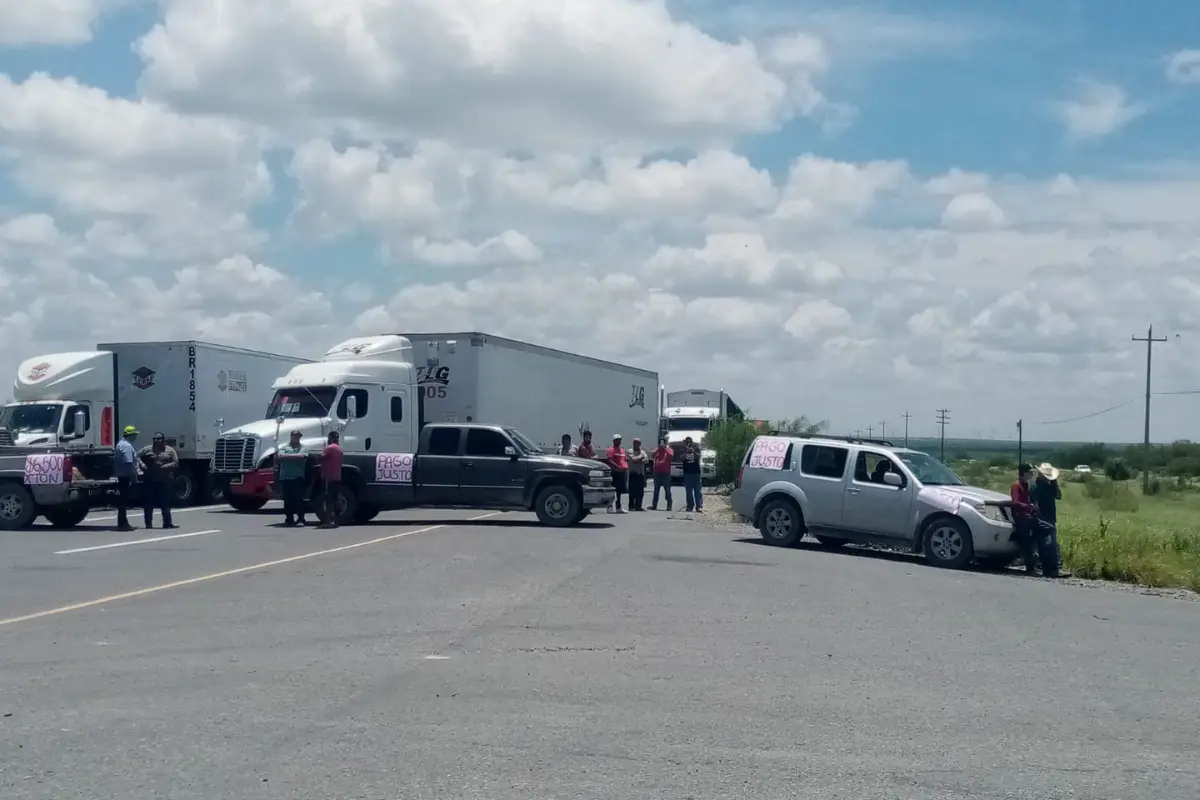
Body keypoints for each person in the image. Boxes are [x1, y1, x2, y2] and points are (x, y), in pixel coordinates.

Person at [1031, 462, 1066, 578]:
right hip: (1043, 520)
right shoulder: (1036, 487)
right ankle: (1048, 569)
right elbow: (1035, 505)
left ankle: (1051, 568)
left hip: (1051, 518)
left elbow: (1058, 496)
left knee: (1051, 545)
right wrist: (1041, 519)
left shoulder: (1049, 486)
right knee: (1047, 545)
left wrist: (1054, 483)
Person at [139, 431, 179, 530]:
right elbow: (136, 457)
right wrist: (142, 465)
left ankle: (167, 523)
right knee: (148, 503)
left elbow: (176, 463)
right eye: (154, 439)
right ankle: (148, 523)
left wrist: (166, 466)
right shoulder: (147, 449)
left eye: (158, 439)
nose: (156, 441)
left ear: (163, 440)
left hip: (164, 480)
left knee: (165, 503)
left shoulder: (170, 450)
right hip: (150, 480)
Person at [276, 430, 310, 527]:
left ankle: (301, 519)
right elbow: (280, 456)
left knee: (298, 499)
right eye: (295, 436)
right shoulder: (284, 447)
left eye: (298, 436)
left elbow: (302, 456)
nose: (296, 438)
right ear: (291, 436)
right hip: (285, 477)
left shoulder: (303, 447)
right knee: (287, 500)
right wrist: (295, 456)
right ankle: (289, 519)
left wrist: (287, 456)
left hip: (297, 477)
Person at [112, 425, 138, 531]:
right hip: (125, 476)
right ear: (130, 435)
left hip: (120, 475)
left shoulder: (120, 444)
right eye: (134, 435)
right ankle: (123, 523)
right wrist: (133, 476)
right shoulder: (127, 446)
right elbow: (128, 463)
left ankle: (122, 522)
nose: (135, 437)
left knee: (122, 501)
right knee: (123, 501)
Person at [316, 430, 343, 529]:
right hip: (337, 476)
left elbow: (320, 457)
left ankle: (328, 520)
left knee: (328, 500)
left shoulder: (330, 448)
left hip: (328, 477)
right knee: (335, 498)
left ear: (330, 438)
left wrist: (319, 455)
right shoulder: (339, 449)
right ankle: (335, 519)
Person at [606, 434, 628, 513]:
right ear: (614, 441)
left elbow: (624, 460)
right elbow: (610, 460)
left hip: (621, 473)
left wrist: (625, 466)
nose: (619, 441)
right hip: (614, 472)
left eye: (620, 439)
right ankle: (609, 507)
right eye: (617, 440)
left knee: (619, 491)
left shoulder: (622, 450)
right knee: (611, 490)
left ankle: (618, 508)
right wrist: (617, 466)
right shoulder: (611, 450)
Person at [650, 436, 673, 511]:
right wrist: (659, 449)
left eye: (663, 442)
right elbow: (652, 455)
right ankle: (654, 505)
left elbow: (671, 456)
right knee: (656, 490)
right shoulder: (657, 450)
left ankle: (669, 505)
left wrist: (664, 449)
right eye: (660, 442)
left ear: (666, 443)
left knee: (667, 490)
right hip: (657, 473)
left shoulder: (669, 450)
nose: (662, 444)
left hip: (666, 474)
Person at [681, 437, 703, 513]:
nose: (688, 443)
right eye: (687, 441)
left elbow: (698, 456)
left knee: (697, 490)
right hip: (687, 473)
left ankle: (699, 506)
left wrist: (693, 451)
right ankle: (689, 506)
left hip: (696, 472)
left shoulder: (696, 448)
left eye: (690, 441)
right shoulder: (683, 449)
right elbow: (681, 458)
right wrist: (686, 452)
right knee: (688, 491)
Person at [627, 437, 648, 511]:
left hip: (640, 474)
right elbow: (633, 459)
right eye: (635, 443)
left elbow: (646, 460)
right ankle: (631, 506)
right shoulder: (630, 451)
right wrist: (640, 458)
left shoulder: (642, 451)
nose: (636, 444)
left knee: (640, 491)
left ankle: (638, 506)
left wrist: (640, 459)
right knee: (632, 491)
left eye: (638, 443)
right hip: (633, 473)